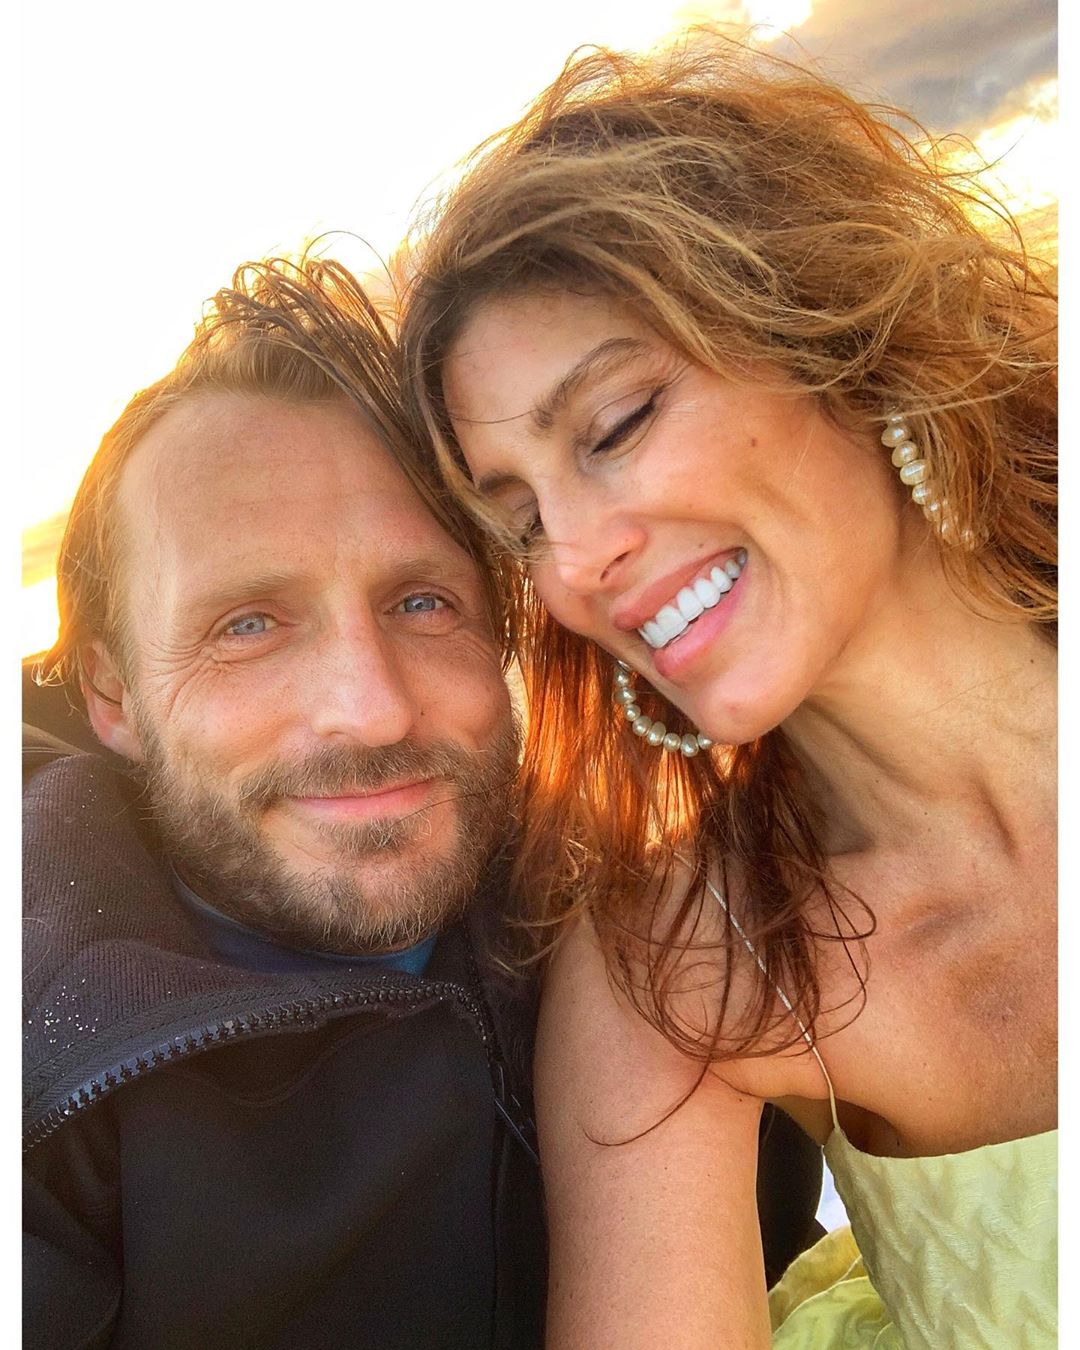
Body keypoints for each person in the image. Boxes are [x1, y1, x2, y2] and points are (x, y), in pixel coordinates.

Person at [23, 253, 820, 1349]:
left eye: (423, 602)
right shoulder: (43, 1075)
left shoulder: (649, 928)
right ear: (112, 693)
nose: (371, 710)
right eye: (248, 625)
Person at [398, 29, 1058, 1349]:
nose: (575, 563)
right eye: (521, 520)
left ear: (838, 338)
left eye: (616, 425)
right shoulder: (684, 967)